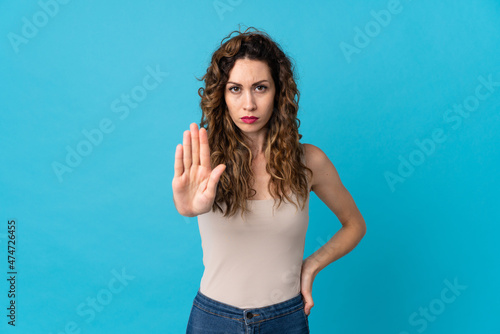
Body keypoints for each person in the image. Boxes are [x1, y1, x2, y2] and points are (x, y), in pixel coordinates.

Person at [173, 26, 366, 334]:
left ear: (278, 92)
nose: (248, 104)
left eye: (260, 87)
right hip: (213, 321)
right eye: (235, 89)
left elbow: (355, 224)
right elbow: (188, 204)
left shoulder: (310, 161)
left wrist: (311, 266)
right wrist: (187, 208)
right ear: (221, 95)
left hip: (285, 319)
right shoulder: (206, 160)